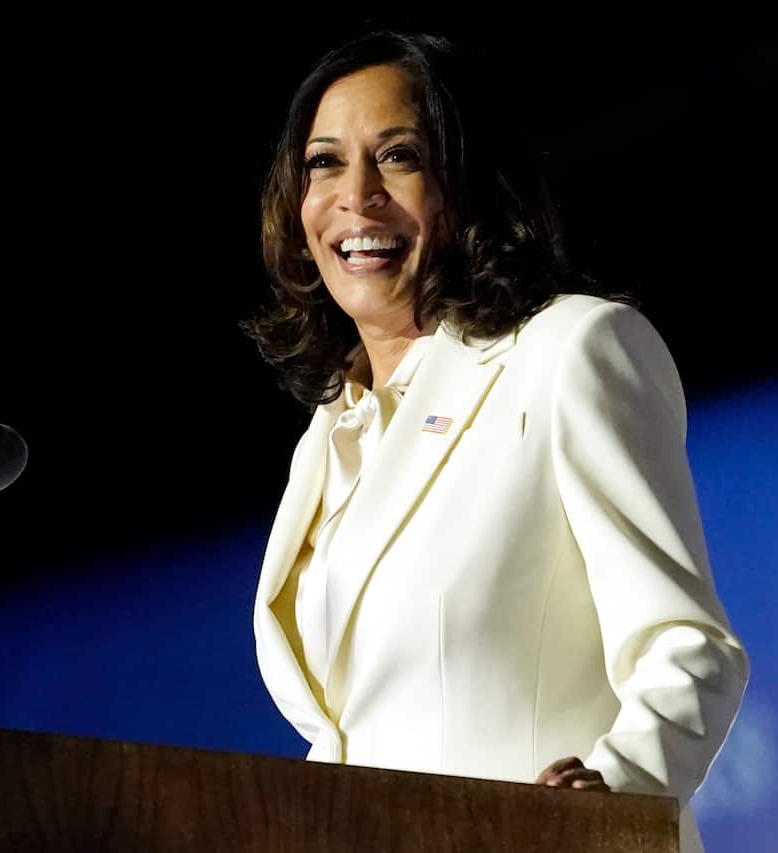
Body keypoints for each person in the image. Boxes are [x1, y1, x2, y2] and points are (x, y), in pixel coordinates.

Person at [245, 31, 747, 853]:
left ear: (466, 186)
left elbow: (690, 650)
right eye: (325, 163)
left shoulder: (570, 351)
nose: (356, 196)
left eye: (399, 156)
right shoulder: (329, 437)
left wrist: (607, 799)